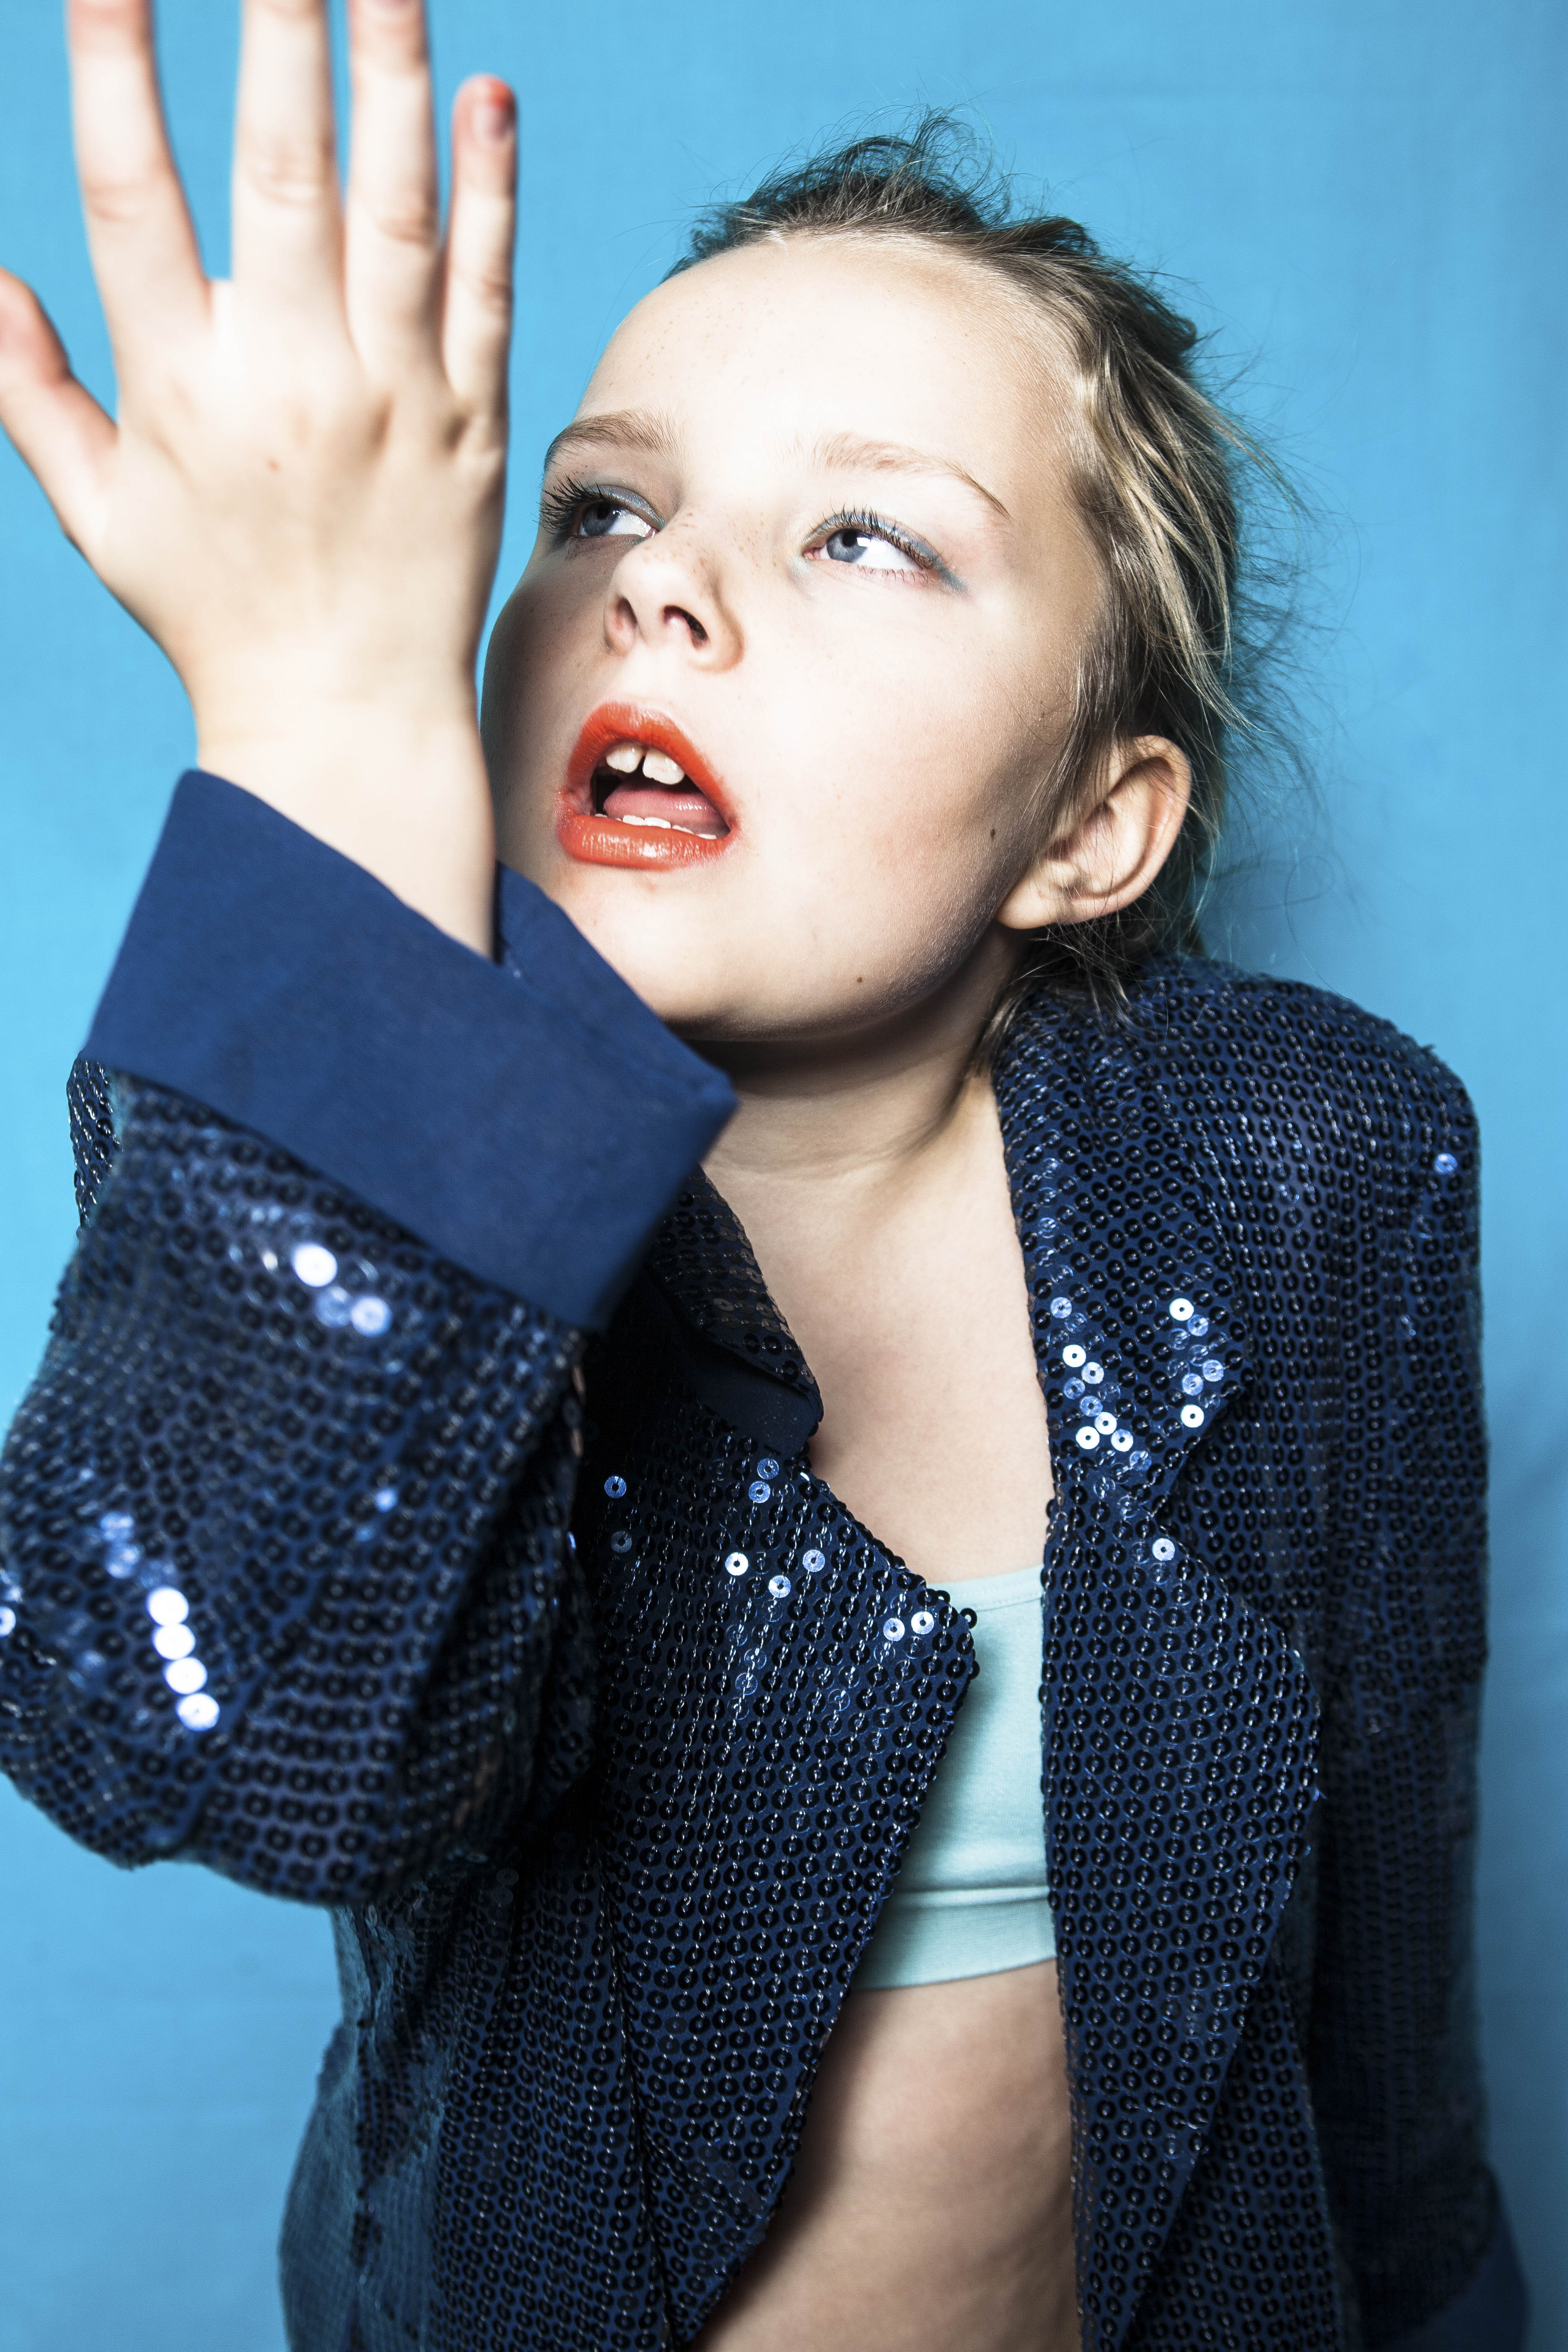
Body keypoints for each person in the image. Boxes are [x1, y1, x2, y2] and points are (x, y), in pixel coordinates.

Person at [0, 4, 1528, 2348]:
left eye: (865, 536)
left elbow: (1390, 1947)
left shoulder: (1313, 1162)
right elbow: (172, 1716)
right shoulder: (349, 1154)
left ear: (1094, 825)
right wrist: (323, 737)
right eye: (600, 508)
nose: (664, 590)